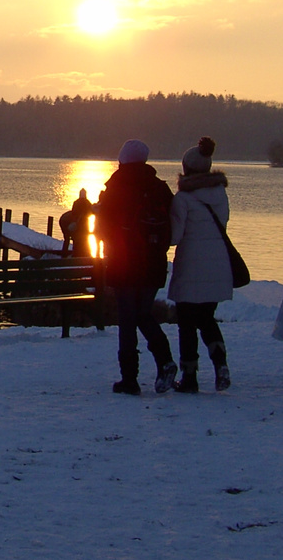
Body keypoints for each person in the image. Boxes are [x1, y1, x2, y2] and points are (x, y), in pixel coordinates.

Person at [95, 139, 177, 395]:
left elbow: (101, 229)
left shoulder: (115, 187)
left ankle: (129, 378)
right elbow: (171, 225)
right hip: (153, 263)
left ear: (123, 159)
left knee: (127, 319)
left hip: (123, 262)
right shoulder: (160, 188)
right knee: (143, 314)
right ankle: (165, 362)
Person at [166, 137, 232, 393]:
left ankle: (190, 376)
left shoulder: (183, 199)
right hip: (218, 266)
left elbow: (175, 237)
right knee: (207, 318)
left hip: (191, 267)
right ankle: (221, 365)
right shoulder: (221, 194)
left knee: (187, 323)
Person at [60, 189, 92, 257]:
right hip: (69, 222)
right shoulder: (85, 202)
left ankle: (69, 254)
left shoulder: (79, 202)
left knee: (73, 239)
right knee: (74, 238)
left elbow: (89, 212)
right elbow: (88, 212)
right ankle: (73, 255)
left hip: (74, 222)